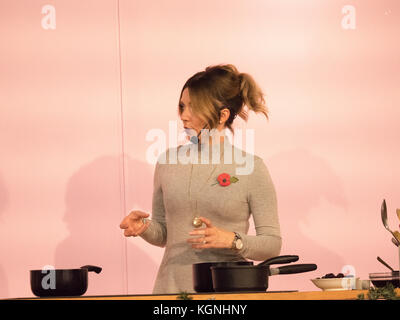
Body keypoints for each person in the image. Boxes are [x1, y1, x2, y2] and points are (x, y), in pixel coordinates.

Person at [119, 64, 282, 294]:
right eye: (182, 106)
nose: (184, 116)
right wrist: (143, 227)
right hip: (171, 291)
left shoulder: (252, 167)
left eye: (194, 108)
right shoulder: (167, 162)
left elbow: (272, 244)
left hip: (227, 293)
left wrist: (232, 240)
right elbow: (165, 233)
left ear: (223, 115)